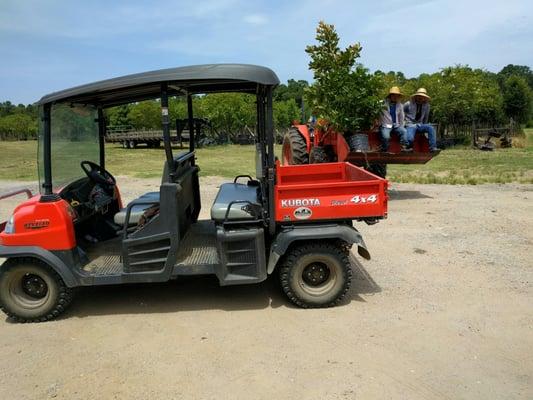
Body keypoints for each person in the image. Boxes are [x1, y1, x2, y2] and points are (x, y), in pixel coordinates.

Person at [404, 88, 439, 152]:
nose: (421, 98)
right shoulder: (408, 104)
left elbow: (426, 117)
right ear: (416, 96)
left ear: (425, 98)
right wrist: (404, 124)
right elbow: (401, 113)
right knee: (410, 138)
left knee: (430, 128)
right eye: (419, 96)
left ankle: (433, 147)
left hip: (420, 124)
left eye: (422, 97)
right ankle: (408, 148)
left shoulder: (427, 106)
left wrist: (424, 128)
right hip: (410, 124)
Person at [379, 86, 410, 152]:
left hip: (396, 125)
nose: (395, 97)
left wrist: (401, 126)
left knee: (404, 131)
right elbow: (376, 111)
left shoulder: (400, 105)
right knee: (386, 136)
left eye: (397, 96)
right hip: (386, 125)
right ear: (390, 96)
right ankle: (385, 149)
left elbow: (401, 117)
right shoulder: (382, 103)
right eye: (394, 95)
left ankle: (404, 147)